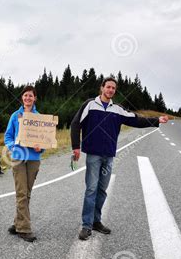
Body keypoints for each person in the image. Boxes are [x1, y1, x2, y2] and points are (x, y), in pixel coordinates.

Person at [70, 77, 168, 241]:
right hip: (93, 154)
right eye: (108, 87)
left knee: (102, 190)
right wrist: (76, 147)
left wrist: (156, 120)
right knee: (91, 189)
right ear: (102, 88)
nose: (110, 90)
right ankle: (86, 226)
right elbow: (75, 124)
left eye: (113, 88)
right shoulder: (89, 105)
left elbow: (136, 119)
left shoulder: (117, 109)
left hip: (109, 155)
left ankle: (96, 221)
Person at [4, 86, 44, 242]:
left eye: (31, 96)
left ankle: (17, 223)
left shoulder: (40, 117)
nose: (28, 98)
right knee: (21, 192)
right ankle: (24, 229)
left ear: (35, 98)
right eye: (25, 95)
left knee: (26, 193)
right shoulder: (15, 116)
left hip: (33, 159)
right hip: (18, 158)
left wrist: (41, 147)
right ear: (22, 98)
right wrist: (13, 146)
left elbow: (44, 139)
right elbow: (7, 136)